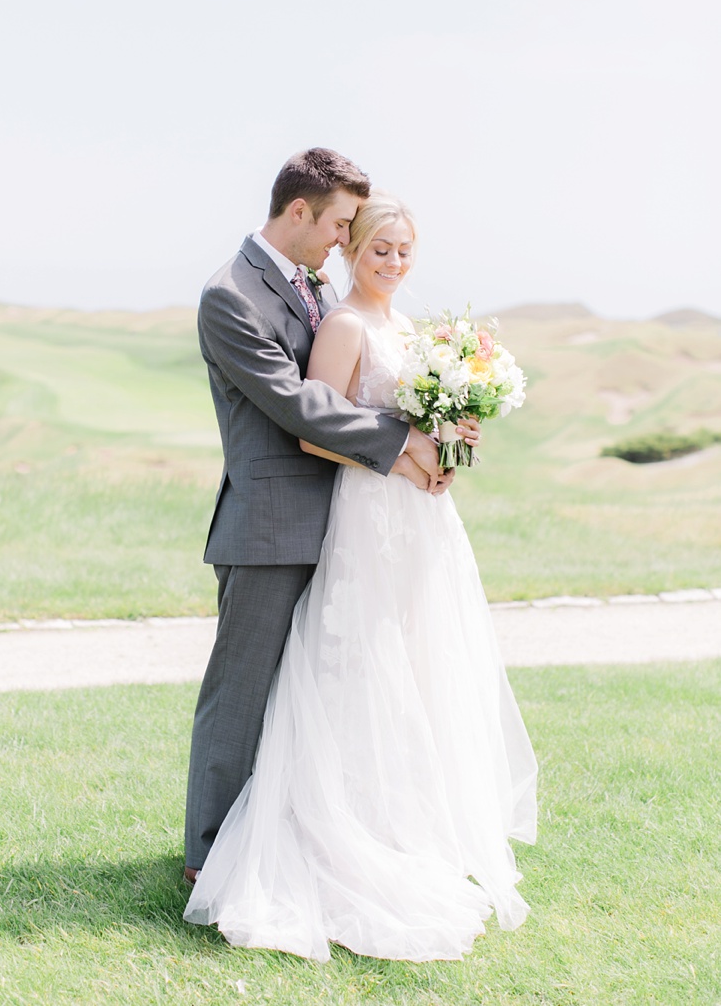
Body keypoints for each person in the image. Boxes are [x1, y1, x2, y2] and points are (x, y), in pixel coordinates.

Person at [183, 191, 538, 961]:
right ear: (334, 236)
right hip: (340, 514)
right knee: (300, 676)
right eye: (369, 242)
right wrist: (407, 447)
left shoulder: (388, 318)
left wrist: (446, 440)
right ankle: (213, 853)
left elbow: (410, 413)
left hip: (412, 520)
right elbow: (312, 418)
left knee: (407, 671)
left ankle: (395, 824)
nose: (387, 258)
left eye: (400, 248)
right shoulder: (308, 312)